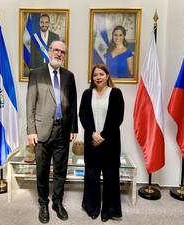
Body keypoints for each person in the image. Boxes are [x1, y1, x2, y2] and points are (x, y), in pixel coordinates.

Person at [26, 40, 78, 224]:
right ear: (49, 51)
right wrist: (31, 130)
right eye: (56, 50)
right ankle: (43, 204)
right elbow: (30, 104)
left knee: (60, 170)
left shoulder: (69, 76)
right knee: (42, 170)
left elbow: (73, 104)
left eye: (62, 51)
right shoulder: (36, 74)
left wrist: (73, 128)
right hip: (41, 131)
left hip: (63, 131)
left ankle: (57, 202)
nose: (59, 54)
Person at [79, 64, 124, 222]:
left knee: (110, 175)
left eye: (101, 74)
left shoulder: (116, 93)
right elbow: (82, 115)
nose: (98, 77)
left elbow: (118, 118)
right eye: (95, 75)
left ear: (107, 76)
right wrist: (93, 133)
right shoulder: (87, 94)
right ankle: (92, 207)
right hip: (92, 141)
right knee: (92, 175)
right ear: (92, 78)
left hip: (110, 142)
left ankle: (109, 210)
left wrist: (102, 135)